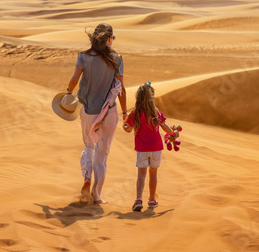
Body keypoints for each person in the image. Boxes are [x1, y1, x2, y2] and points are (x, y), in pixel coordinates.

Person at [66, 23, 127, 204]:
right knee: (103, 153)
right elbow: (121, 88)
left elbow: (75, 79)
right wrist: (125, 112)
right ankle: (97, 195)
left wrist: (67, 93)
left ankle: (87, 178)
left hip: (89, 111)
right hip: (109, 111)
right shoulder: (117, 58)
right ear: (109, 39)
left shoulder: (83, 57)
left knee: (89, 146)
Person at [122, 81, 179, 211]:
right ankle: (152, 200)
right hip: (156, 149)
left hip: (142, 149)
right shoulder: (155, 112)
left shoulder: (135, 112)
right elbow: (165, 127)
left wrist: (125, 126)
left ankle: (138, 200)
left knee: (141, 175)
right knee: (153, 174)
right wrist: (174, 133)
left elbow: (128, 127)